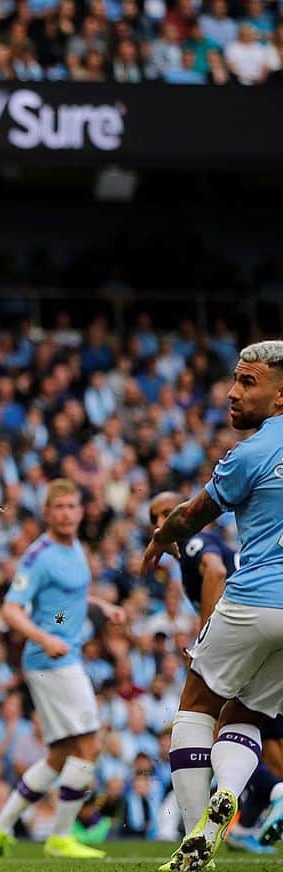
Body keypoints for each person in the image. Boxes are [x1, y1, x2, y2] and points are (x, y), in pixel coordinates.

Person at [143, 340, 283, 872]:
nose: (232, 392)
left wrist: (160, 536)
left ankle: (195, 835)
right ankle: (230, 793)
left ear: (280, 398)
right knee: (249, 713)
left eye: (248, 382)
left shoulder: (249, 453)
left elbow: (192, 516)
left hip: (254, 598)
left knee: (197, 702)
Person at [0, 479, 126, 860]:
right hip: (53, 661)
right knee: (89, 744)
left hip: (62, 658)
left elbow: (67, 594)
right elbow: (10, 609)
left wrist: (100, 605)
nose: (66, 513)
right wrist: (44, 639)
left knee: (60, 753)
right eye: (58, 507)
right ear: (47, 512)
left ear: (81, 511)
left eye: (72, 506)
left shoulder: (75, 547)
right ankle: (60, 837)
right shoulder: (38, 556)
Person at [148, 492, 280, 856]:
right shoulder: (218, 543)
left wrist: (207, 631)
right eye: (153, 517)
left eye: (165, 513)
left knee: (198, 711)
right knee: (244, 720)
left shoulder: (196, 540)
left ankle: (206, 827)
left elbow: (216, 571)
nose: (160, 523)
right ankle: (237, 797)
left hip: (246, 622)